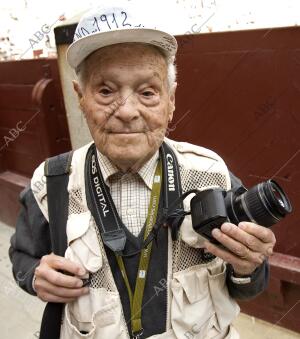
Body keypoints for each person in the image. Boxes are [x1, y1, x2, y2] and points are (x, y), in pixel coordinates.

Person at [9, 3, 276, 339]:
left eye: (147, 92)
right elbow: (22, 254)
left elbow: (248, 287)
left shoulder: (212, 174)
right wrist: (34, 274)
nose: (127, 111)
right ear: (80, 97)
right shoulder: (51, 183)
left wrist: (248, 266)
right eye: (105, 91)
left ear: (171, 100)